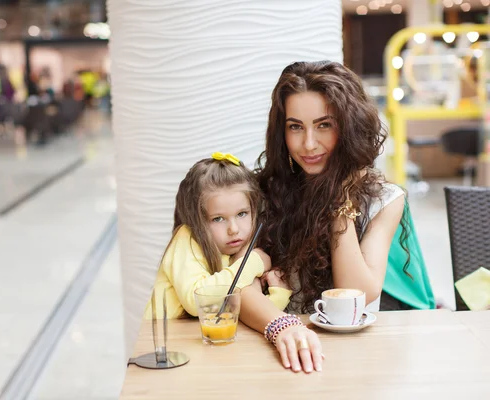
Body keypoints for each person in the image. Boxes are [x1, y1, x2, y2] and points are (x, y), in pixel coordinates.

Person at [240, 61, 432, 373]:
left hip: (356, 356)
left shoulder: (384, 199)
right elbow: (238, 284)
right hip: (281, 349)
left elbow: (357, 291)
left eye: (324, 125)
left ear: (349, 127)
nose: (309, 144)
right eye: (295, 127)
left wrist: (338, 205)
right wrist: (283, 327)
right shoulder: (263, 193)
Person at [144, 152, 292, 319]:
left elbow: (235, 316)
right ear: (197, 219)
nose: (233, 229)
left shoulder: (237, 250)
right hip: (162, 342)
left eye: (242, 214)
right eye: (218, 219)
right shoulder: (187, 239)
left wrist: (278, 295)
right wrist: (252, 261)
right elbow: (198, 301)